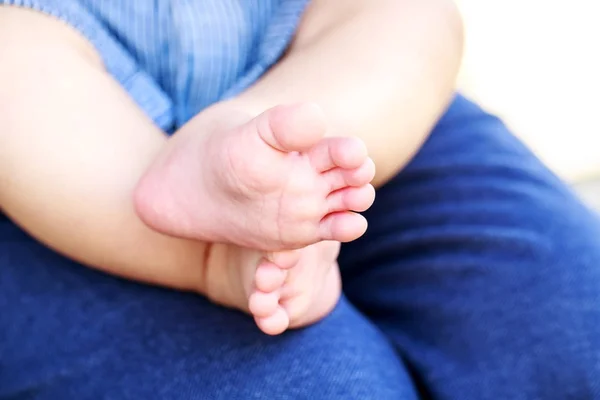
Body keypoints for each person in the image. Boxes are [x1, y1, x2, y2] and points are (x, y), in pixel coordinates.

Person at [1, 1, 599, 399]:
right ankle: (211, 251)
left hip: (336, 82)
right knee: (325, 387)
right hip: (57, 152)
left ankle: (275, 171)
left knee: (574, 338)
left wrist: (301, 141)